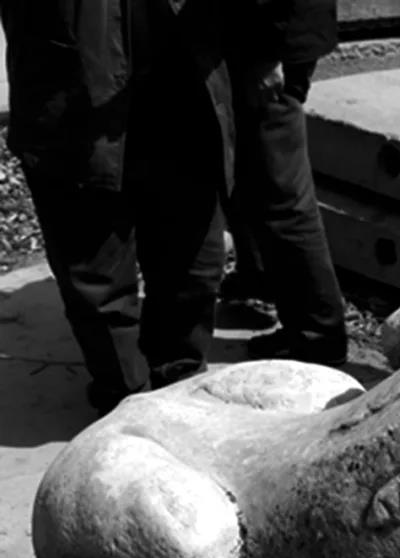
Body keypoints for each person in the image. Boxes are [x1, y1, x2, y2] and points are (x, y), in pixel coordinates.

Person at [1, 0, 233, 415]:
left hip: (182, 96)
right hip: (73, 100)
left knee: (193, 261)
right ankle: (125, 405)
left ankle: (182, 386)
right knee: (96, 272)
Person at [224, 0, 348, 367]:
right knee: (250, 163)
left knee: (279, 189)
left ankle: (319, 336)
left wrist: (268, 52)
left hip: (268, 37)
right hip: (267, 31)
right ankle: (259, 279)